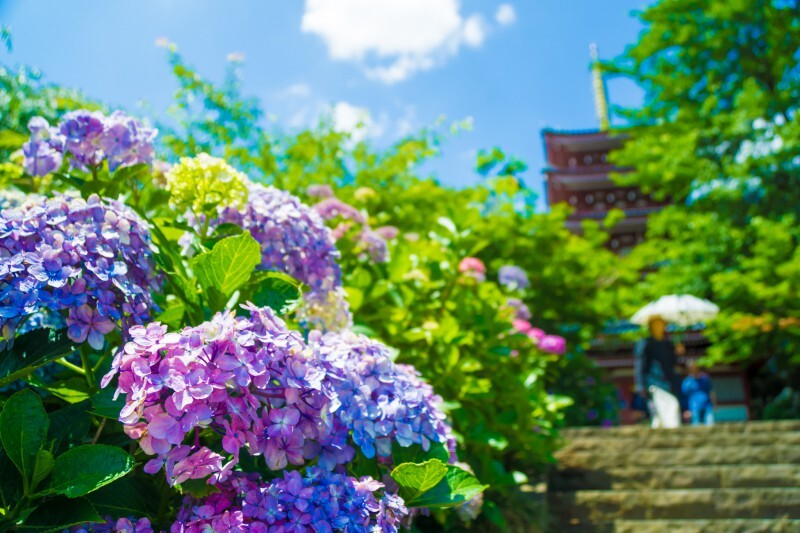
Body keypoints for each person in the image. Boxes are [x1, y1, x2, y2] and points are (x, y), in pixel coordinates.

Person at [634, 315, 684, 428]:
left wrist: (677, 352)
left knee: (659, 415)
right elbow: (640, 364)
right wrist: (640, 384)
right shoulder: (645, 343)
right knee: (671, 406)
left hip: (668, 382)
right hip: (653, 382)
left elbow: (673, 364)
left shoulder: (668, 344)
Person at [682, 361, 716, 426]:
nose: (693, 369)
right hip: (694, 407)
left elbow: (711, 391)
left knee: (710, 425)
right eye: (691, 368)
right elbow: (684, 396)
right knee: (696, 426)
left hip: (707, 405)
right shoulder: (687, 382)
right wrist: (686, 409)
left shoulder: (705, 379)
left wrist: (714, 403)